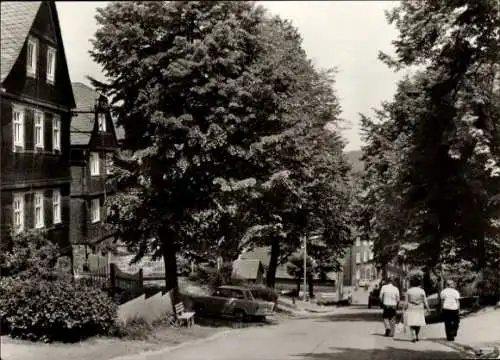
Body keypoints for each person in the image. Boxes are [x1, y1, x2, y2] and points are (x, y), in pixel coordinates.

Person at [404, 276, 431, 342]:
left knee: (412, 322)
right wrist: (428, 308)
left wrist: (404, 308)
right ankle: (417, 335)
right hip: (419, 307)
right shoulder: (422, 291)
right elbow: (425, 301)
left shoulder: (409, 291)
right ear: (419, 284)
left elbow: (406, 301)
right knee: (418, 322)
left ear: (412, 284)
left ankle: (414, 336)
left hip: (411, 307)